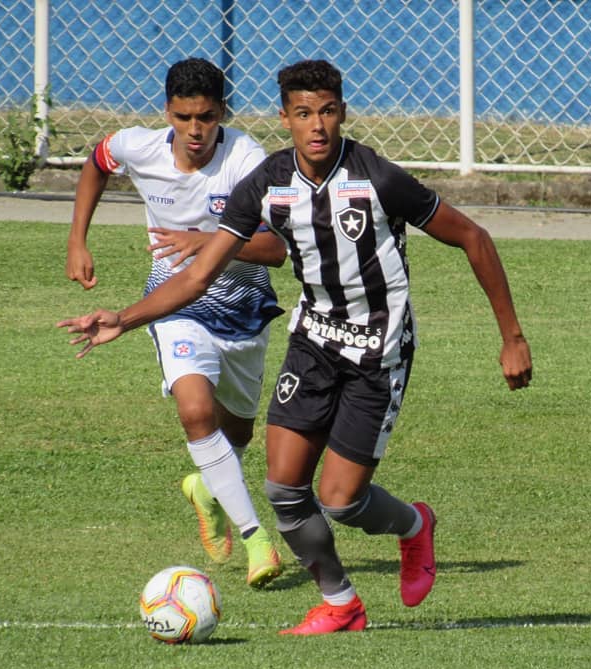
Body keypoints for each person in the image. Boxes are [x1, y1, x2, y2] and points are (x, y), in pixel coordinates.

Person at [58, 59, 533, 634]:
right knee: (284, 488)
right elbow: (197, 274)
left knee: (340, 501)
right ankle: (341, 603)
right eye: (303, 113)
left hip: (379, 350)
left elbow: (473, 237)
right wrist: (123, 319)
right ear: (284, 118)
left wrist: (511, 337)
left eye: (328, 111)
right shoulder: (266, 183)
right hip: (313, 339)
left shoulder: (378, 179)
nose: (317, 126)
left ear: (342, 113)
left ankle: (412, 526)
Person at [63, 57, 286, 589]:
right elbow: (98, 161)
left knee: (237, 433)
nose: (194, 130)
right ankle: (258, 539)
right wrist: (77, 239)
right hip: (175, 304)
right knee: (194, 411)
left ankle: (206, 488)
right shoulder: (139, 146)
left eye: (206, 118)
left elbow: (277, 250)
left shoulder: (247, 160)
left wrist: (209, 242)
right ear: (167, 112)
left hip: (243, 306)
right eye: (183, 117)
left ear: (221, 114)